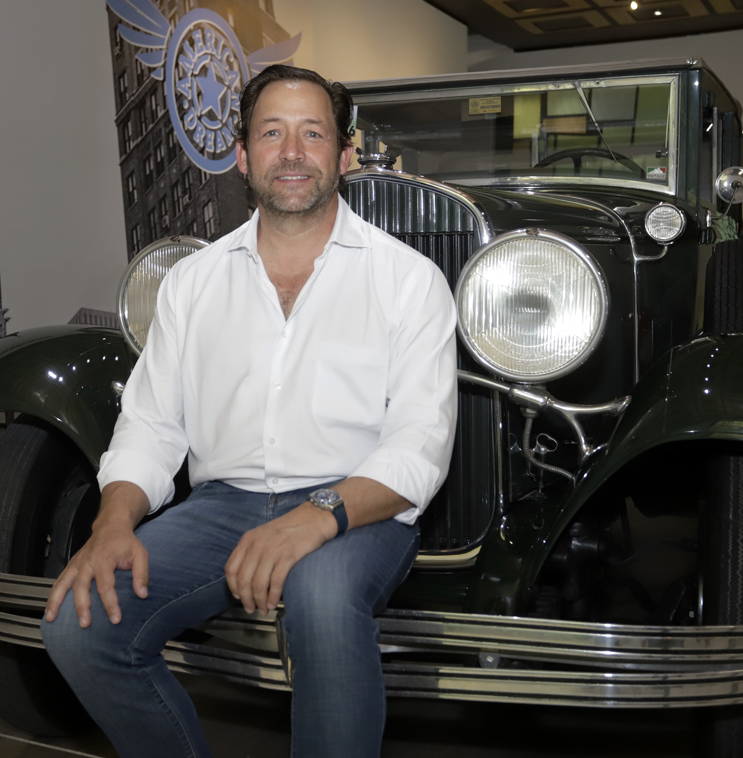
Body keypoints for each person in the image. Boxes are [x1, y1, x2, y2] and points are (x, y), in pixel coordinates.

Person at [41, 65, 458, 758]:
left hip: (357, 505)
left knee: (321, 598)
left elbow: (420, 443)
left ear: (344, 155)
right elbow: (151, 423)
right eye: (271, 133)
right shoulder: (191, 283)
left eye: (312, 133)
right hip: (223, 507)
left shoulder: (408, 280)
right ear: (242, 154)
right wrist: (113, 521)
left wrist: (316, 515)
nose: (291, 151)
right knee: (77, 626)